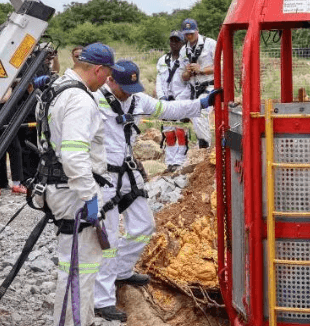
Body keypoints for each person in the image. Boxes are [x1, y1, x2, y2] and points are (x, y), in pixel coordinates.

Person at [92, 60, 223, 321]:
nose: (129, 92)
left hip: (127, 172)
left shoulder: (137, 99)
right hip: (103, 176)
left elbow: (169, 108)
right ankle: (102, 300)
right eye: (124, 87)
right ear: (110, 81)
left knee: (143, 226)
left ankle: (122, 270)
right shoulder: (93, 100)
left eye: (133, 87)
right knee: (109, 239)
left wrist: (203, 103)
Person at [40, 42, 122, 326]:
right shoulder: (80, 99)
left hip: (62, 187)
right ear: (98, 69)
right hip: (75, 192)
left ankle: (81, 320)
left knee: (75, 265)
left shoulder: (60, 89)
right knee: (80, 268)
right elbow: (74, 154)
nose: (108, 81)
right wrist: (90, 196)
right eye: (108, 74)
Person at [180, 18, 218, 148]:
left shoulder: (211, 44)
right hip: (193, 89)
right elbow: (183, 77)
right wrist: (188, 72)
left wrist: (201, 70)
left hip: (209, 86)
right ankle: (201, 144)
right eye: (186, 34)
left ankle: (204, 146)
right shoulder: (183, 50)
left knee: (200, 112)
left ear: (197, 31)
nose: (189, 36)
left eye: (191, 33)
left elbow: (223, 66)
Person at [156, 31, 190, 172]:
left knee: (180, 132)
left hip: (181, 101)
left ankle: (180, 161)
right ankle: (170, 162)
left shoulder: (187, 61)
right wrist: (162, 97)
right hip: (166, 102)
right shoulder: (162, 60)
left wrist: (180, 100)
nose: (174, 43)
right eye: (172, 40)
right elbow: (159, 81)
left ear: (183, 43)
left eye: (177, 41)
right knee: (169, 133)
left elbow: (190, 84)